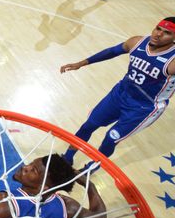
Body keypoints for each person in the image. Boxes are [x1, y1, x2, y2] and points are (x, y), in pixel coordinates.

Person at [61, 18, 175, 167]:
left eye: (167, 33)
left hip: (144, 107)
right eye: (158, 28)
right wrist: (82, 63)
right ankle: (67, 158)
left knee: (111, 138)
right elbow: (111, 52)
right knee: (89, 125)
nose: (159, 34)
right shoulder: (137, 42)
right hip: (120, 93)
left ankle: (90, 169)